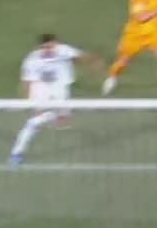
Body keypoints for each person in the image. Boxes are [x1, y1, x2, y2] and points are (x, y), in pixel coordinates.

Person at [9, 34, 100, 166]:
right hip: (41, 88)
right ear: (40, 47)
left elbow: (81, 56)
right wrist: (27, 99)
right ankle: (16, 153)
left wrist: (93, 63)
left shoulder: (63, 50)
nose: (50, 50)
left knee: (63, 121)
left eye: (52, 47)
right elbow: (26, 81)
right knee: (34, 122)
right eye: (46, 47)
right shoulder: (32, 60)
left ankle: (50, 116)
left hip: (60, 87)